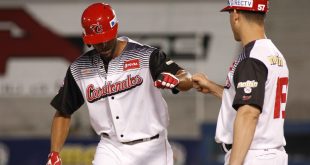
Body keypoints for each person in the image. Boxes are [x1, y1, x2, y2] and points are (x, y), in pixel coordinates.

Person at [46, 2, 193, 165]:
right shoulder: (79, 69)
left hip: (152, 146)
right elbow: (63, 111)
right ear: (86, 39)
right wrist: (54, 153)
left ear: (115, 30)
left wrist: (178, 80)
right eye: (96, 41)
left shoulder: (145, 55)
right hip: (111, 148)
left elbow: (186, 78)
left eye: (106, 40)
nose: (102, 45)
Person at [192, 0, 289, 165]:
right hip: (270, 153)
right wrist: (213, 87)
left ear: (236, 15)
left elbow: (249, 113)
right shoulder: (273, 53)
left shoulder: (252, 58)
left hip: (253, 154)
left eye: (230, 14)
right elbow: (254, 99)